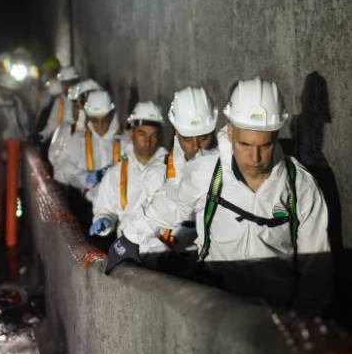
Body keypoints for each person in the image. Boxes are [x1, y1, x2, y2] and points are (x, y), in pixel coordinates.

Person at [108, 77, 332, 315]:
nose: (254, 158)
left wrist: (303, 321)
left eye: (265, 146)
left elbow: (316, 269)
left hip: (274, 315)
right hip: (215, 310)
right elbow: (170, 204)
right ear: (231, 130)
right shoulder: (208, 171)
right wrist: (130, 239)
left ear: (277, 134)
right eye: (245, 144)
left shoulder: (300, 186)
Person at [122, 86, 220, 256]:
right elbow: (133, 228)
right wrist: (163, 257)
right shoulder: (158, 175)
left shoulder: (229, 168)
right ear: (176, 131)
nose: (196, 147)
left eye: (204, 137)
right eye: (188, 138)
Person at [89, 102, 168, 245]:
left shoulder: (171, 167)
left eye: (153, 135)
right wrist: (104, 219)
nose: (147, 140)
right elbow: (105, 208)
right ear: (131, 133)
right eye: (142, 134)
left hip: (166, 246)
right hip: (128, 249)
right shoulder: (116, 173)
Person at [55, 90, 129, 203]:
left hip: (119, 208)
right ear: (89, 117)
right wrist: (84, 178)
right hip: (87, 207)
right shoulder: (78, 140)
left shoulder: (125, 140)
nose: (100, 125)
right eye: (95, 120)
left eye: (104, 120)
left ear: (111, 115)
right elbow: (64, 167)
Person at [48, 78, 101, 184]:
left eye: (78, 106)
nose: (76, 110)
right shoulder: (67, 131)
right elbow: (56, 162)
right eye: (75, 106)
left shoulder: (107, 133)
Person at [0, 70, 31, 142]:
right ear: (1, 88)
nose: (12, 94)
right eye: (10, 91)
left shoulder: (16, 101)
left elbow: (23, 121)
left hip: (17, 140)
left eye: (13, 91)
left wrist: (27, 135)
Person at [37, 66, 79, 143]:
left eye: (69, 83)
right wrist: (43, 135)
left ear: (75, 83)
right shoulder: (60, 101)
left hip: (79, 142)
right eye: (64, 83)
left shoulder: (81, 100)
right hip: (62, 142)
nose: (67, 87)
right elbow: (53, 123)